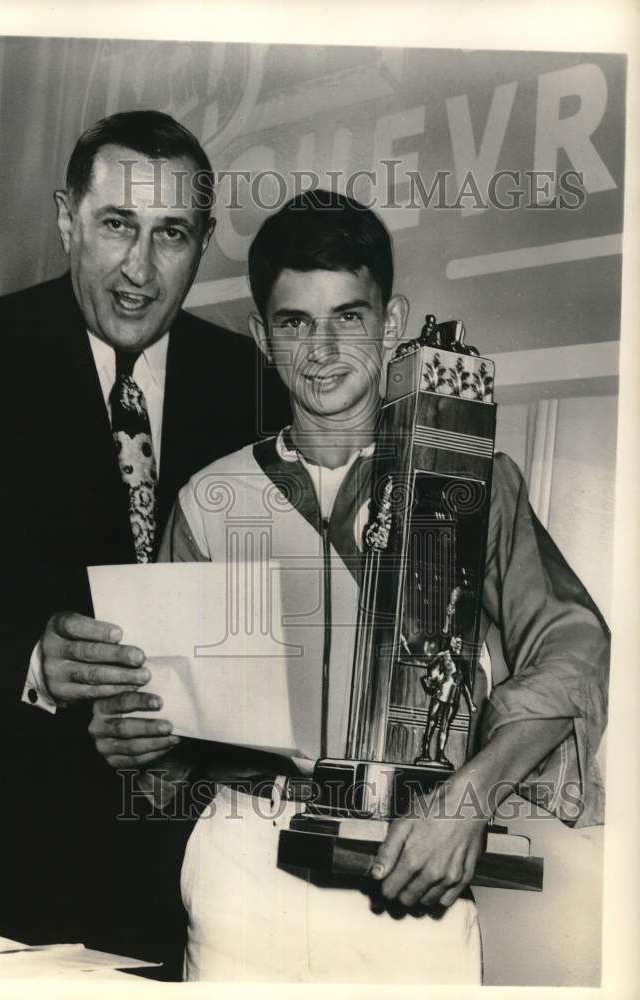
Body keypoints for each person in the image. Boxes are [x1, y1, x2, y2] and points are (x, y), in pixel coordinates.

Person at [88, 191, 610, 982]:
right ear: (264, 336)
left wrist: (465, 797)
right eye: (295, 323)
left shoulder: (469, 480)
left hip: (409, 871)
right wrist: (133, 737)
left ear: (391, 322)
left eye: (349, 317)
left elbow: (572, 647)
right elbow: (166, 737)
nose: (323, 349)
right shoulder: (207, 499)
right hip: (240, 872)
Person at [0, 110, 289, 975]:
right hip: (5, 883)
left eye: (170, 234)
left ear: (205, 239)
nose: (139, 271)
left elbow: (284, 638)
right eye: (115, 226)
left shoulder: (257, 392)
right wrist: (31, 665)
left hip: (206, 884)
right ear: (66, 216)